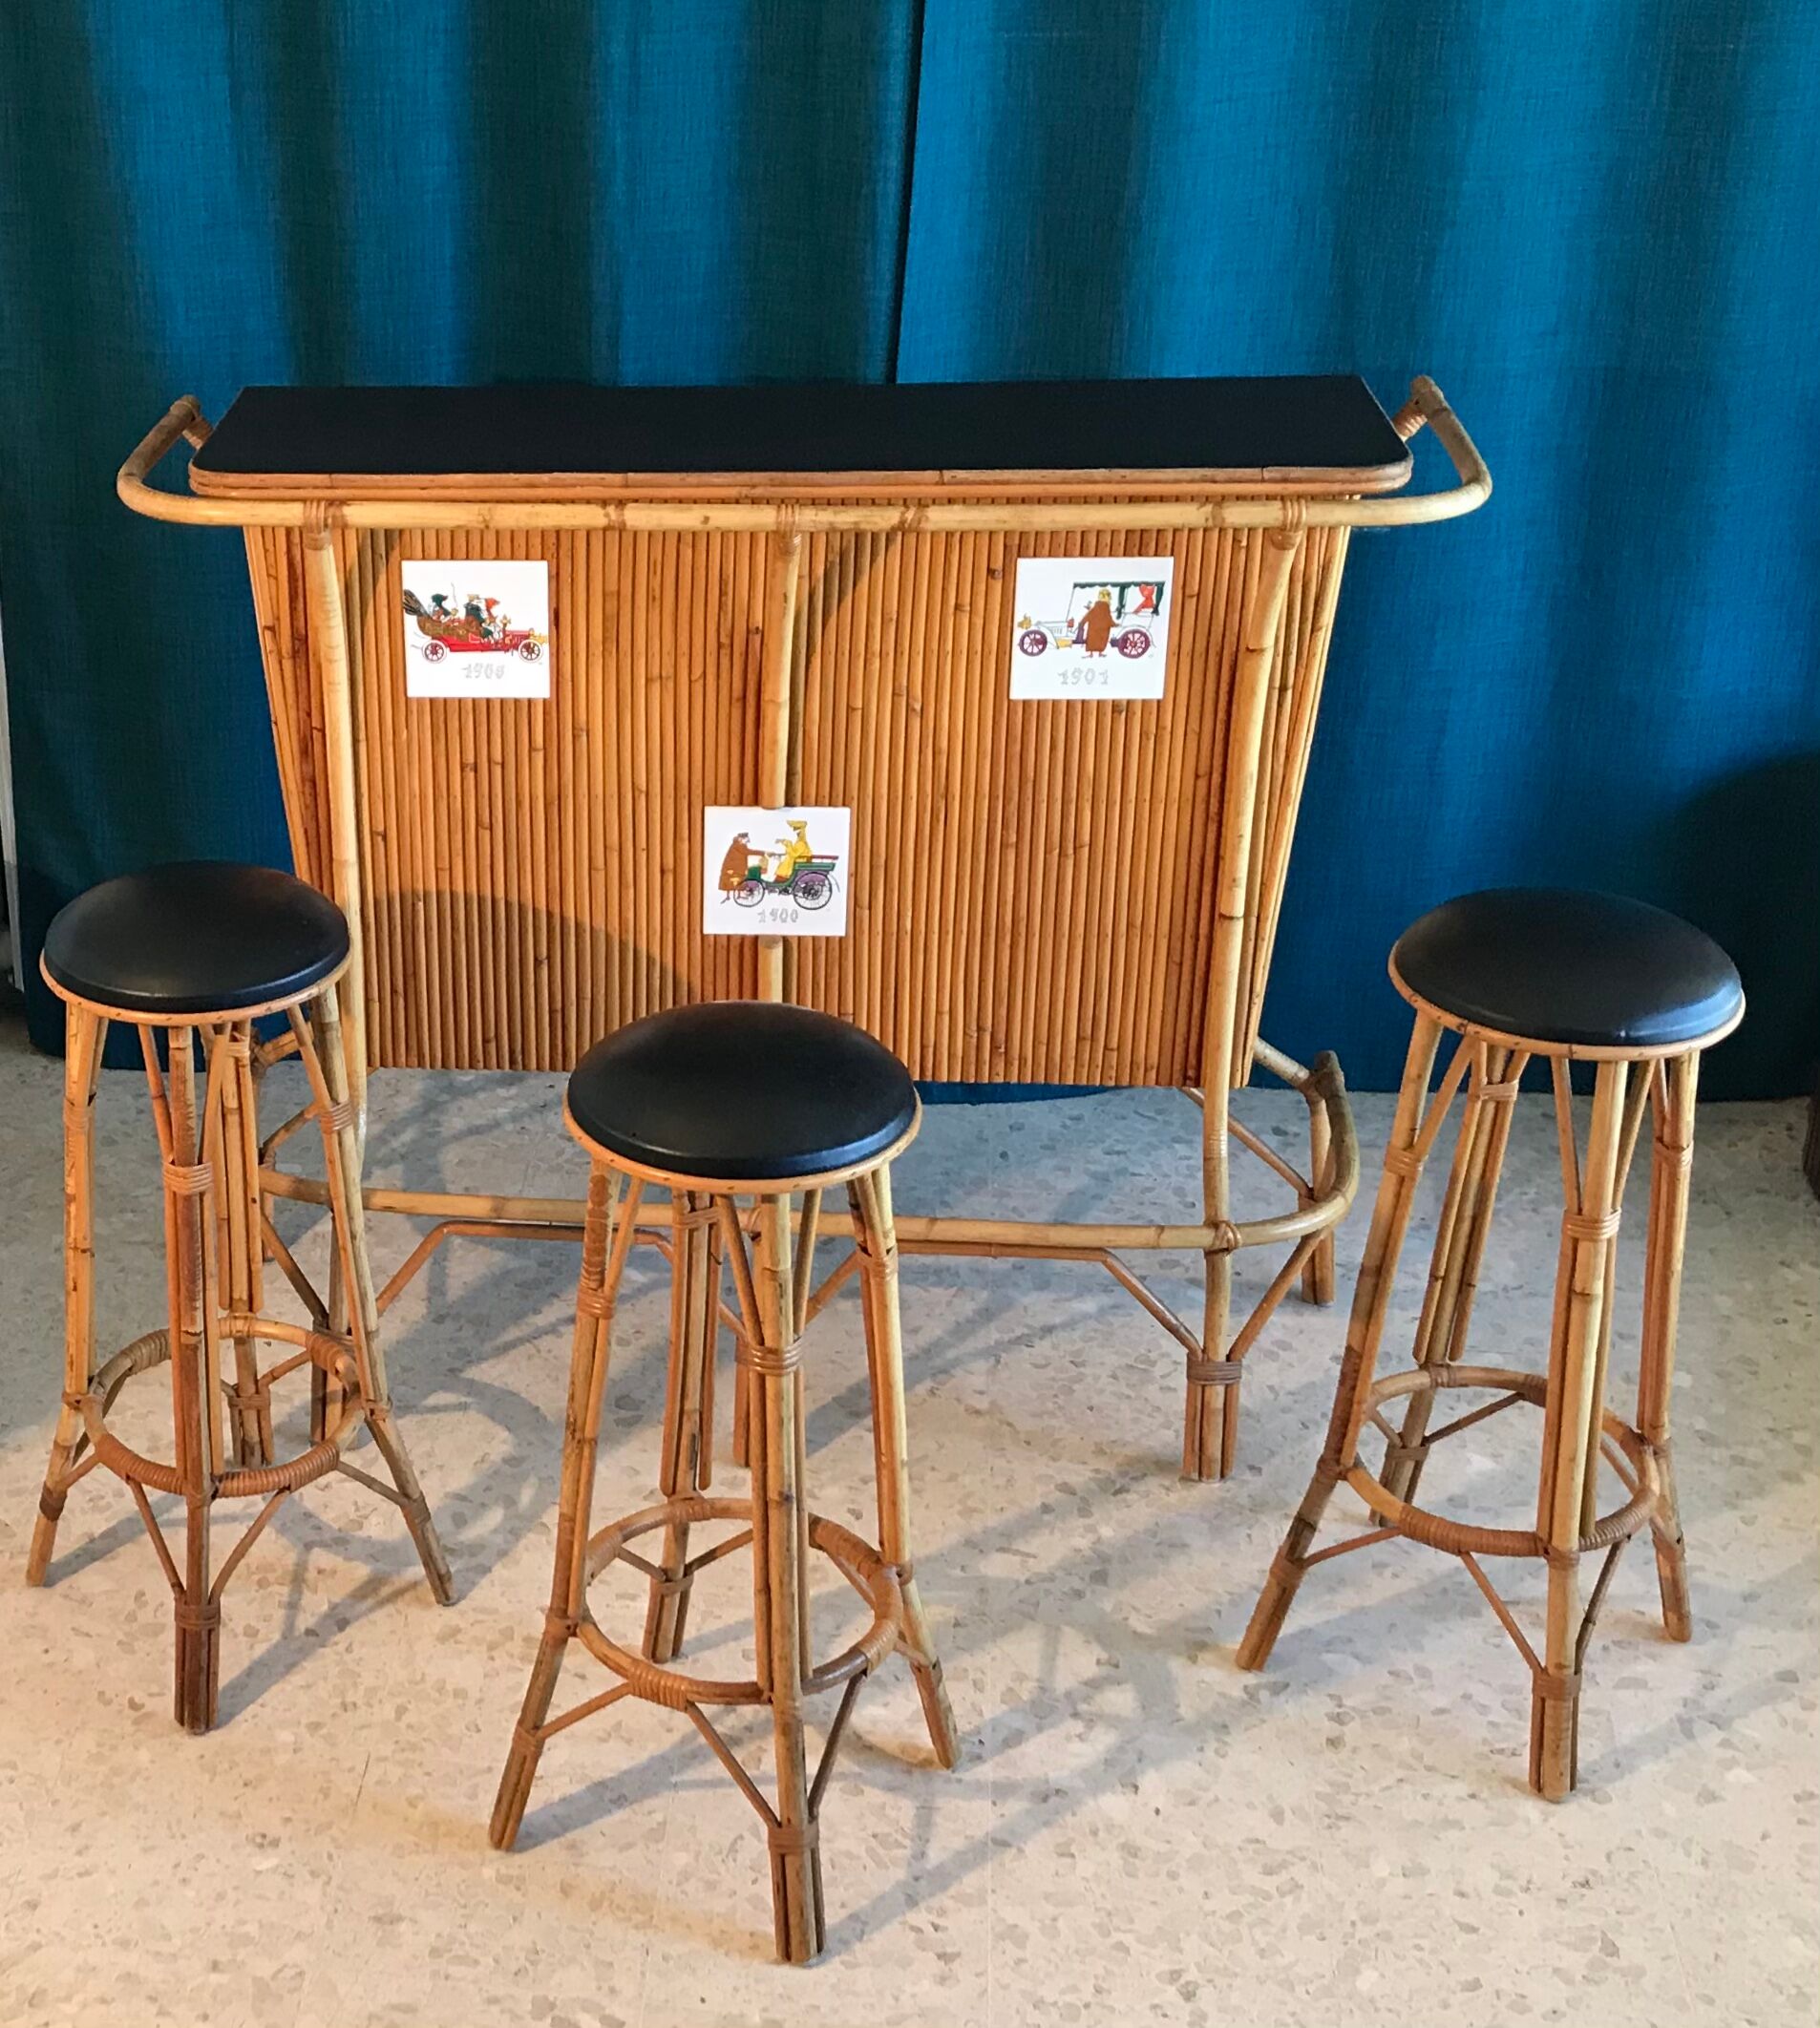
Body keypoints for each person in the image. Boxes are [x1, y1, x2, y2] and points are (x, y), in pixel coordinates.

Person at [1082, 590, 1115, 655]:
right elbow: (1109, 618)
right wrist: (1113, 624)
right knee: (1101, 640)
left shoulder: (1098, 607)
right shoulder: (1105, 607)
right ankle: (1099, 653)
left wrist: (1083, 622)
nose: (1110, 598)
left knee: (1093, 640)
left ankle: (1092, 653)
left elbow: (1088, 615)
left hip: (1095, 629)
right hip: (1102, 629)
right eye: (1109, 596)